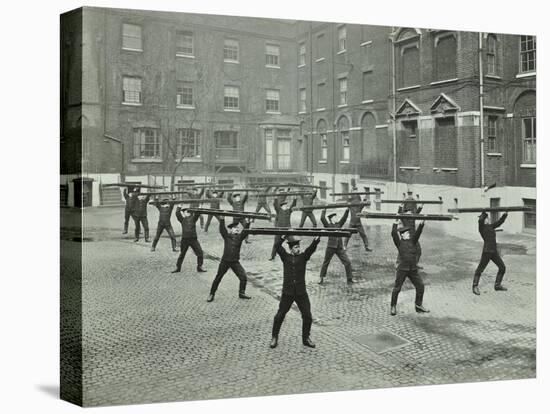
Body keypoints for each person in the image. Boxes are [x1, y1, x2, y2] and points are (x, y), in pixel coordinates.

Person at [270, 235, 321, 349]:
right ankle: (274, 337)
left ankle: (306, 338)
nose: (298, 249)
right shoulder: (285, 257)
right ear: (291, 249)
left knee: (307, 315)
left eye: (299, 247)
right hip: (287, 293)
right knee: (280, 315)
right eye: (296, 247)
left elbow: (311, 249)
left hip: (301, 293)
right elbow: (277, 246)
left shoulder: (303, 257)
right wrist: (282, 237)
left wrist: (316, 239)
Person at [207, 217, 252, 302]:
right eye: (235, 228)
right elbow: (222, 229)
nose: (237, 229)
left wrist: (248, 222)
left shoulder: (240, 237)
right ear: (231, 230)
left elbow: (246, 231)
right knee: (218, 277)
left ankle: (241, 293)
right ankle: (211, 294)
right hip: (225, 261)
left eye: (237, 228)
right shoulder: (226, 236)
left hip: (235, 262)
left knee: (243, 277)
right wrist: (222, 220)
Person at [390, 219, 429, 315]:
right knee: (397, 288)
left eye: (408, 233)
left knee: (420, 286)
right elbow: (393, 233)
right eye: (407, 233)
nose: (409, 234)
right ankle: (393, 306)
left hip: (412, 270)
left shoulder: (413, 241)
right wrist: (395, 223)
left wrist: (422, 223)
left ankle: (418, 305)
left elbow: (418, 233)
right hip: (402, 269)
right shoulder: (399, 243)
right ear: (402, 235)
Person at [472, 210, 508, 295]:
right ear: (485, 219)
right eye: (487, 218)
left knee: (502, 267)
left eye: (488, 218)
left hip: (494, 252)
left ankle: (497, 285)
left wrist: (505, 215)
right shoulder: (481, 227)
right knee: (480, 269)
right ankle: (474, 286)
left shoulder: (491, 226)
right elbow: (480, 220)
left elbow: (499, 222)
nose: (488, 219)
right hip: (487, 251)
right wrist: (484, 213)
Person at [319, 208, 355, 284]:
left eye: (337, 217)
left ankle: (349, 279)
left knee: (347, 262)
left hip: (339, 247)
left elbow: (344, 218)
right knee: (326, 262)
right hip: (330, 247)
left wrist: (347, 210)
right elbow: (322, 218)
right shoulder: (328, 226)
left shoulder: (339, 224)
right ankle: (321, 278)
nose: (337, 219)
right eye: (335, 217)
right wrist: (324, 209)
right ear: (331, 219)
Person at [171, 206, 206, 273]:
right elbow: (177, 213)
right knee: (182, 254)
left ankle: (199, 267)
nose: (184, 213)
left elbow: (197, 214)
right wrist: (179, 207)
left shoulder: (193, 219)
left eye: (185, 212)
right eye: (183, 212)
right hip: (185, 239)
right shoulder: (182, 219)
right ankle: (178, 268)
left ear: (189, 213)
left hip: (193, 239)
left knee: (200, 253)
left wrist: (199, 208)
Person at [398, 191, 423, 265]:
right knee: (403, 251)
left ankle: (415, 264)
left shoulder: (413, 216)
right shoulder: (404, 217)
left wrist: (421, 206)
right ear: (405, 212)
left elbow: (417, 212)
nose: (410, 212)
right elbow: (399, 214)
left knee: (418, 251)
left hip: (414, 237)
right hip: (407, 237)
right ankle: (398, 263)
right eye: (408, 211)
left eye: (411, 211)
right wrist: (400, 206)